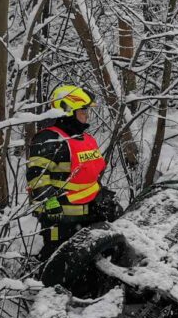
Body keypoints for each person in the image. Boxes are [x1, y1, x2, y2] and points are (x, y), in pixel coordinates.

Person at [27, 84, 119, 262]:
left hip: (92, 210)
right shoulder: (48, 139)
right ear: (68, 110)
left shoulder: (87, 138)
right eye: (83, 111)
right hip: (63, 217)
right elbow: (37, 177)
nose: (87, 115)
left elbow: (91, 172)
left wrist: (101, 194)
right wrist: (49, 202)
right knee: (60, 261)